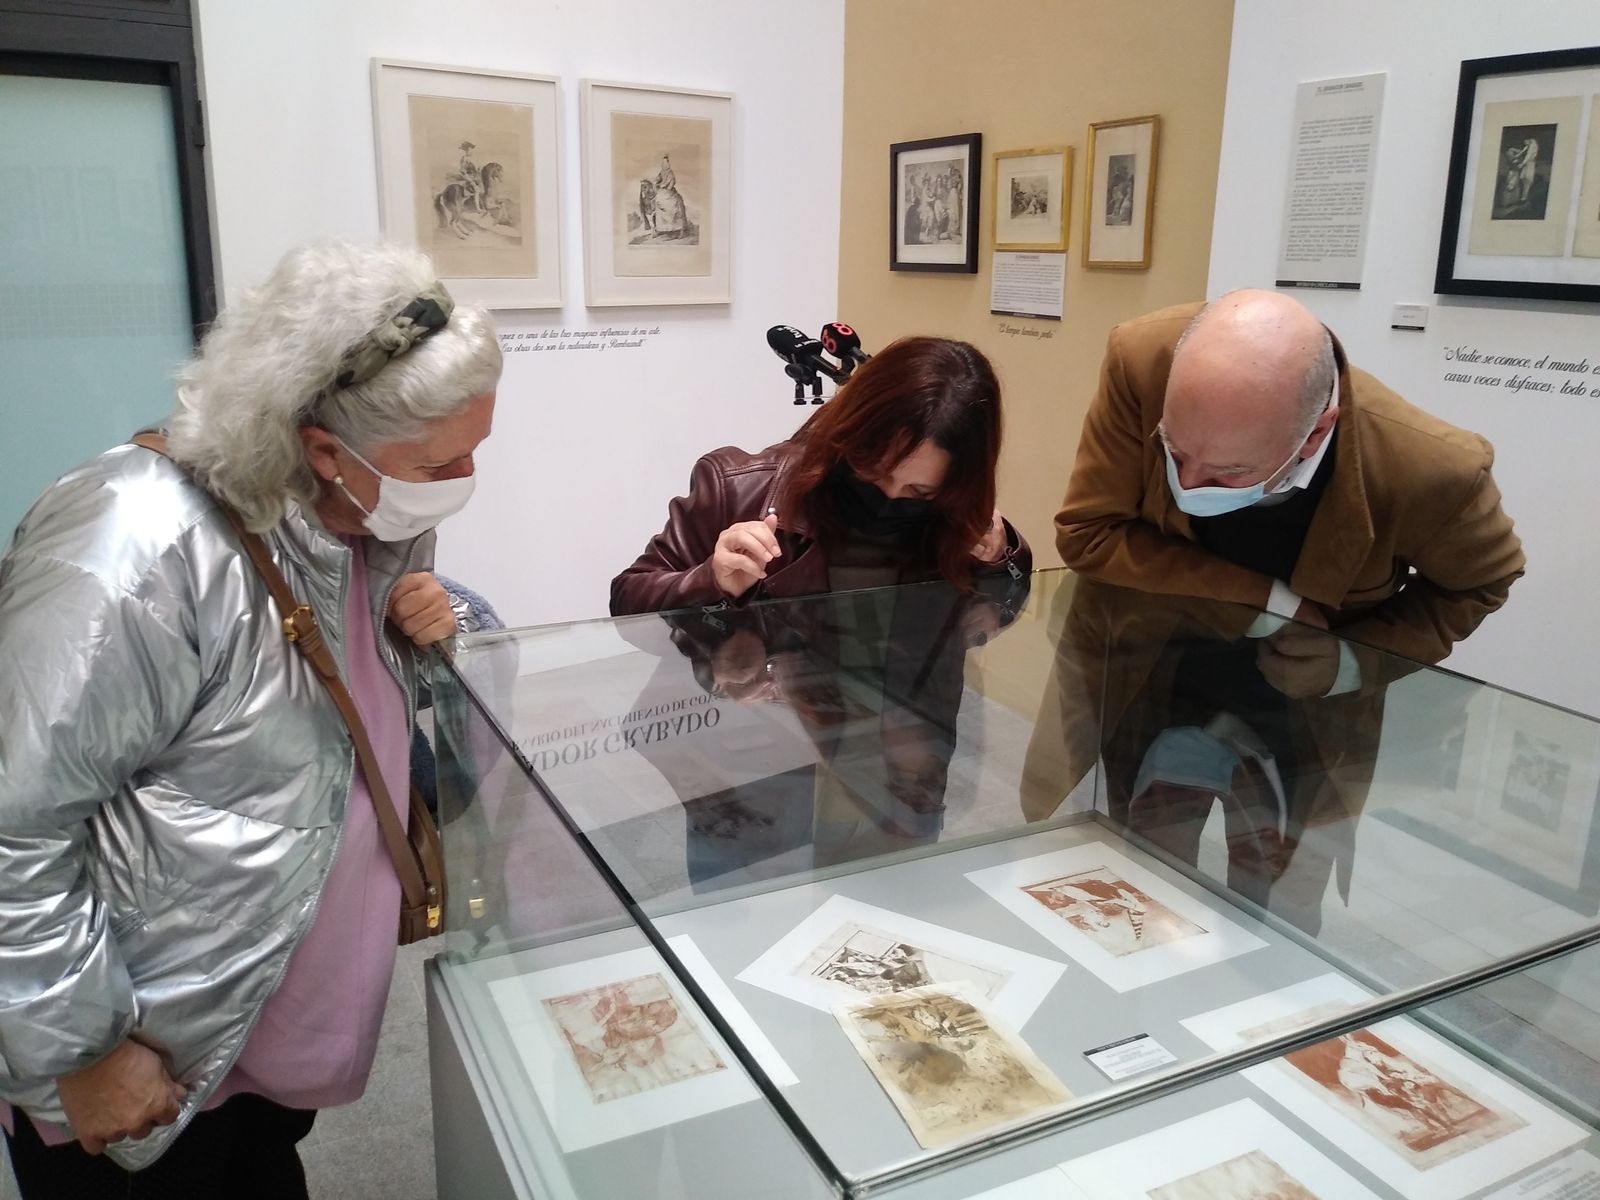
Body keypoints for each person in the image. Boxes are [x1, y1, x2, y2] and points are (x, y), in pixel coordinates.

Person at [0, 239, 501, 1197]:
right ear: (321, 446)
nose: (464, 475)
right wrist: (85, 1050)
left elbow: (287, 715)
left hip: (248, 1021)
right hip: (138, 1060)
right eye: (440, 459)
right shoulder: (131, 549)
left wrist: (406, 628)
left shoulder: (355, 518)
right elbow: (12, 827)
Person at [1031, 289, 1524, 932]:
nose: (1192, 482)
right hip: (1152, 671)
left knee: (1281, 913)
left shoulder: (1431, 471)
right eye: (1175, 453)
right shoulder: (1144, 360)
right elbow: (1091, 532)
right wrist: (1267, 602)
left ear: (1316, 430)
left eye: (1231, 472)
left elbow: (1481, 583)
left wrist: (1350, 662)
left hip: (1303, 710)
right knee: (1139, 887)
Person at [611, 335, 1030, 617]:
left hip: (907, 730)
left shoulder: (953, 516)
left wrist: (999, 558)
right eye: (875, 471)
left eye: (919, 490)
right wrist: (713, 579)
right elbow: (628, 600)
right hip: (769, 736)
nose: (889, 497)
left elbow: (993, 621)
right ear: (848, 435)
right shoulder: (738, 486)